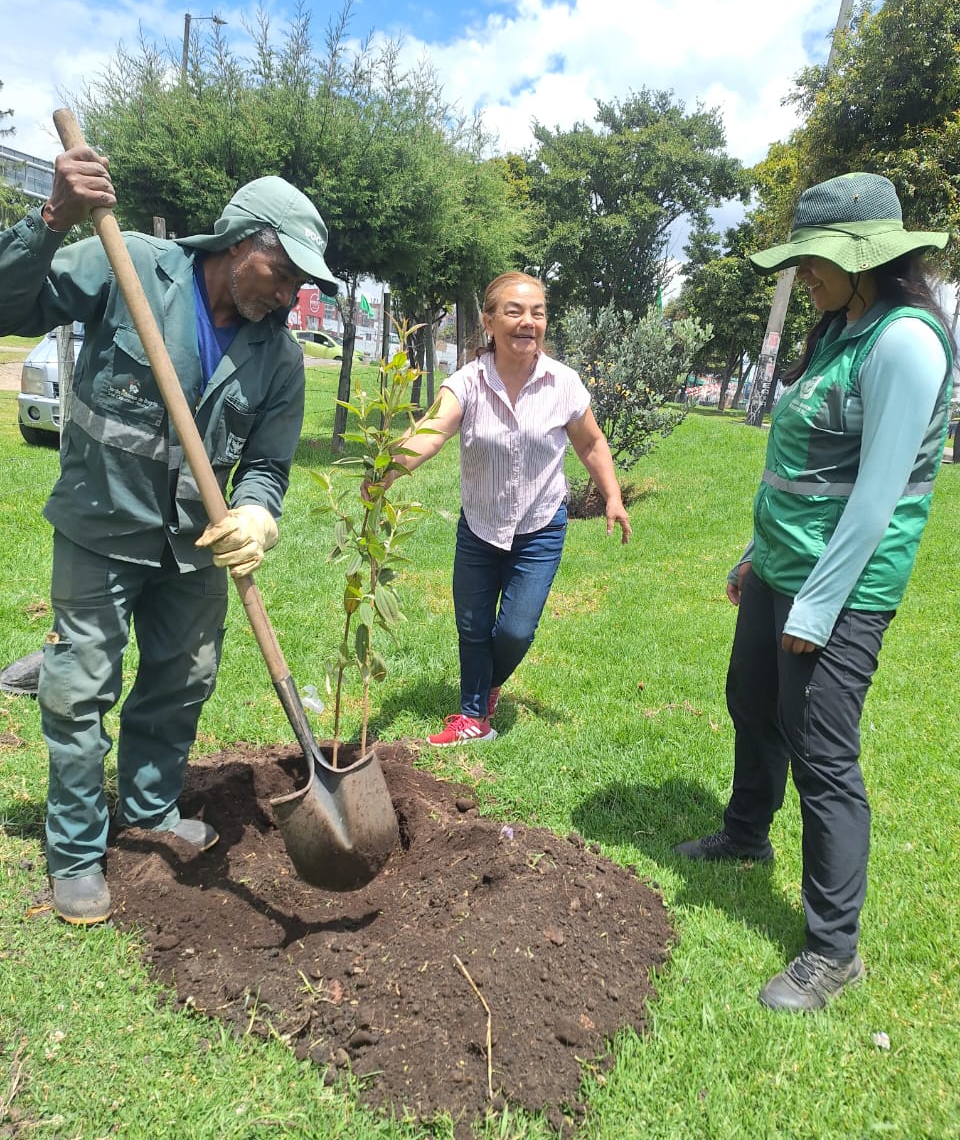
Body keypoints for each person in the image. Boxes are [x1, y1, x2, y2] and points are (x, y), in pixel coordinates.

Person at [0, 145, 339, 926]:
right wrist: (51, 219)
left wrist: (256, 514)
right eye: (282, 272)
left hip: (195, 547)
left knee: (182, 681)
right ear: (240, 241)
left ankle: (149, 809)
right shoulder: (127, 265)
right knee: (80, 688)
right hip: (101, 522)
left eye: (298, 283)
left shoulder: (280, 358)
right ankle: (75, 852)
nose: (288, 294)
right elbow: (10, 308)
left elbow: (267, 466)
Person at [675, 173, 954, 1011]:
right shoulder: (840, 328)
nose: (802, 275)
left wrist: (821, 606)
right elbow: (801, 471)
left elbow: (877, 496)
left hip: (844, 586)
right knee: (752, 701)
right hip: (782, 567)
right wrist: (755, 557)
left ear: (865, 258)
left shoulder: (905, 342)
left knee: (822, 752)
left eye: (813, 259)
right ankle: (745, 835)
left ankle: (834, 951)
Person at [376, 271, 631, 745]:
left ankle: (488, 685)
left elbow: (591, 443)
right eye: (514, 312)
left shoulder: (563, 383)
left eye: (537, 312)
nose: (527, 322)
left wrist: (612, 497)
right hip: (480, 525)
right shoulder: (467, 383)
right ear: (489, 321)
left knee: (515, 630)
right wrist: (384, 472)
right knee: (473, 627)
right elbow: (430, 433)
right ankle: (474, 716)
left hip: (540, 526)